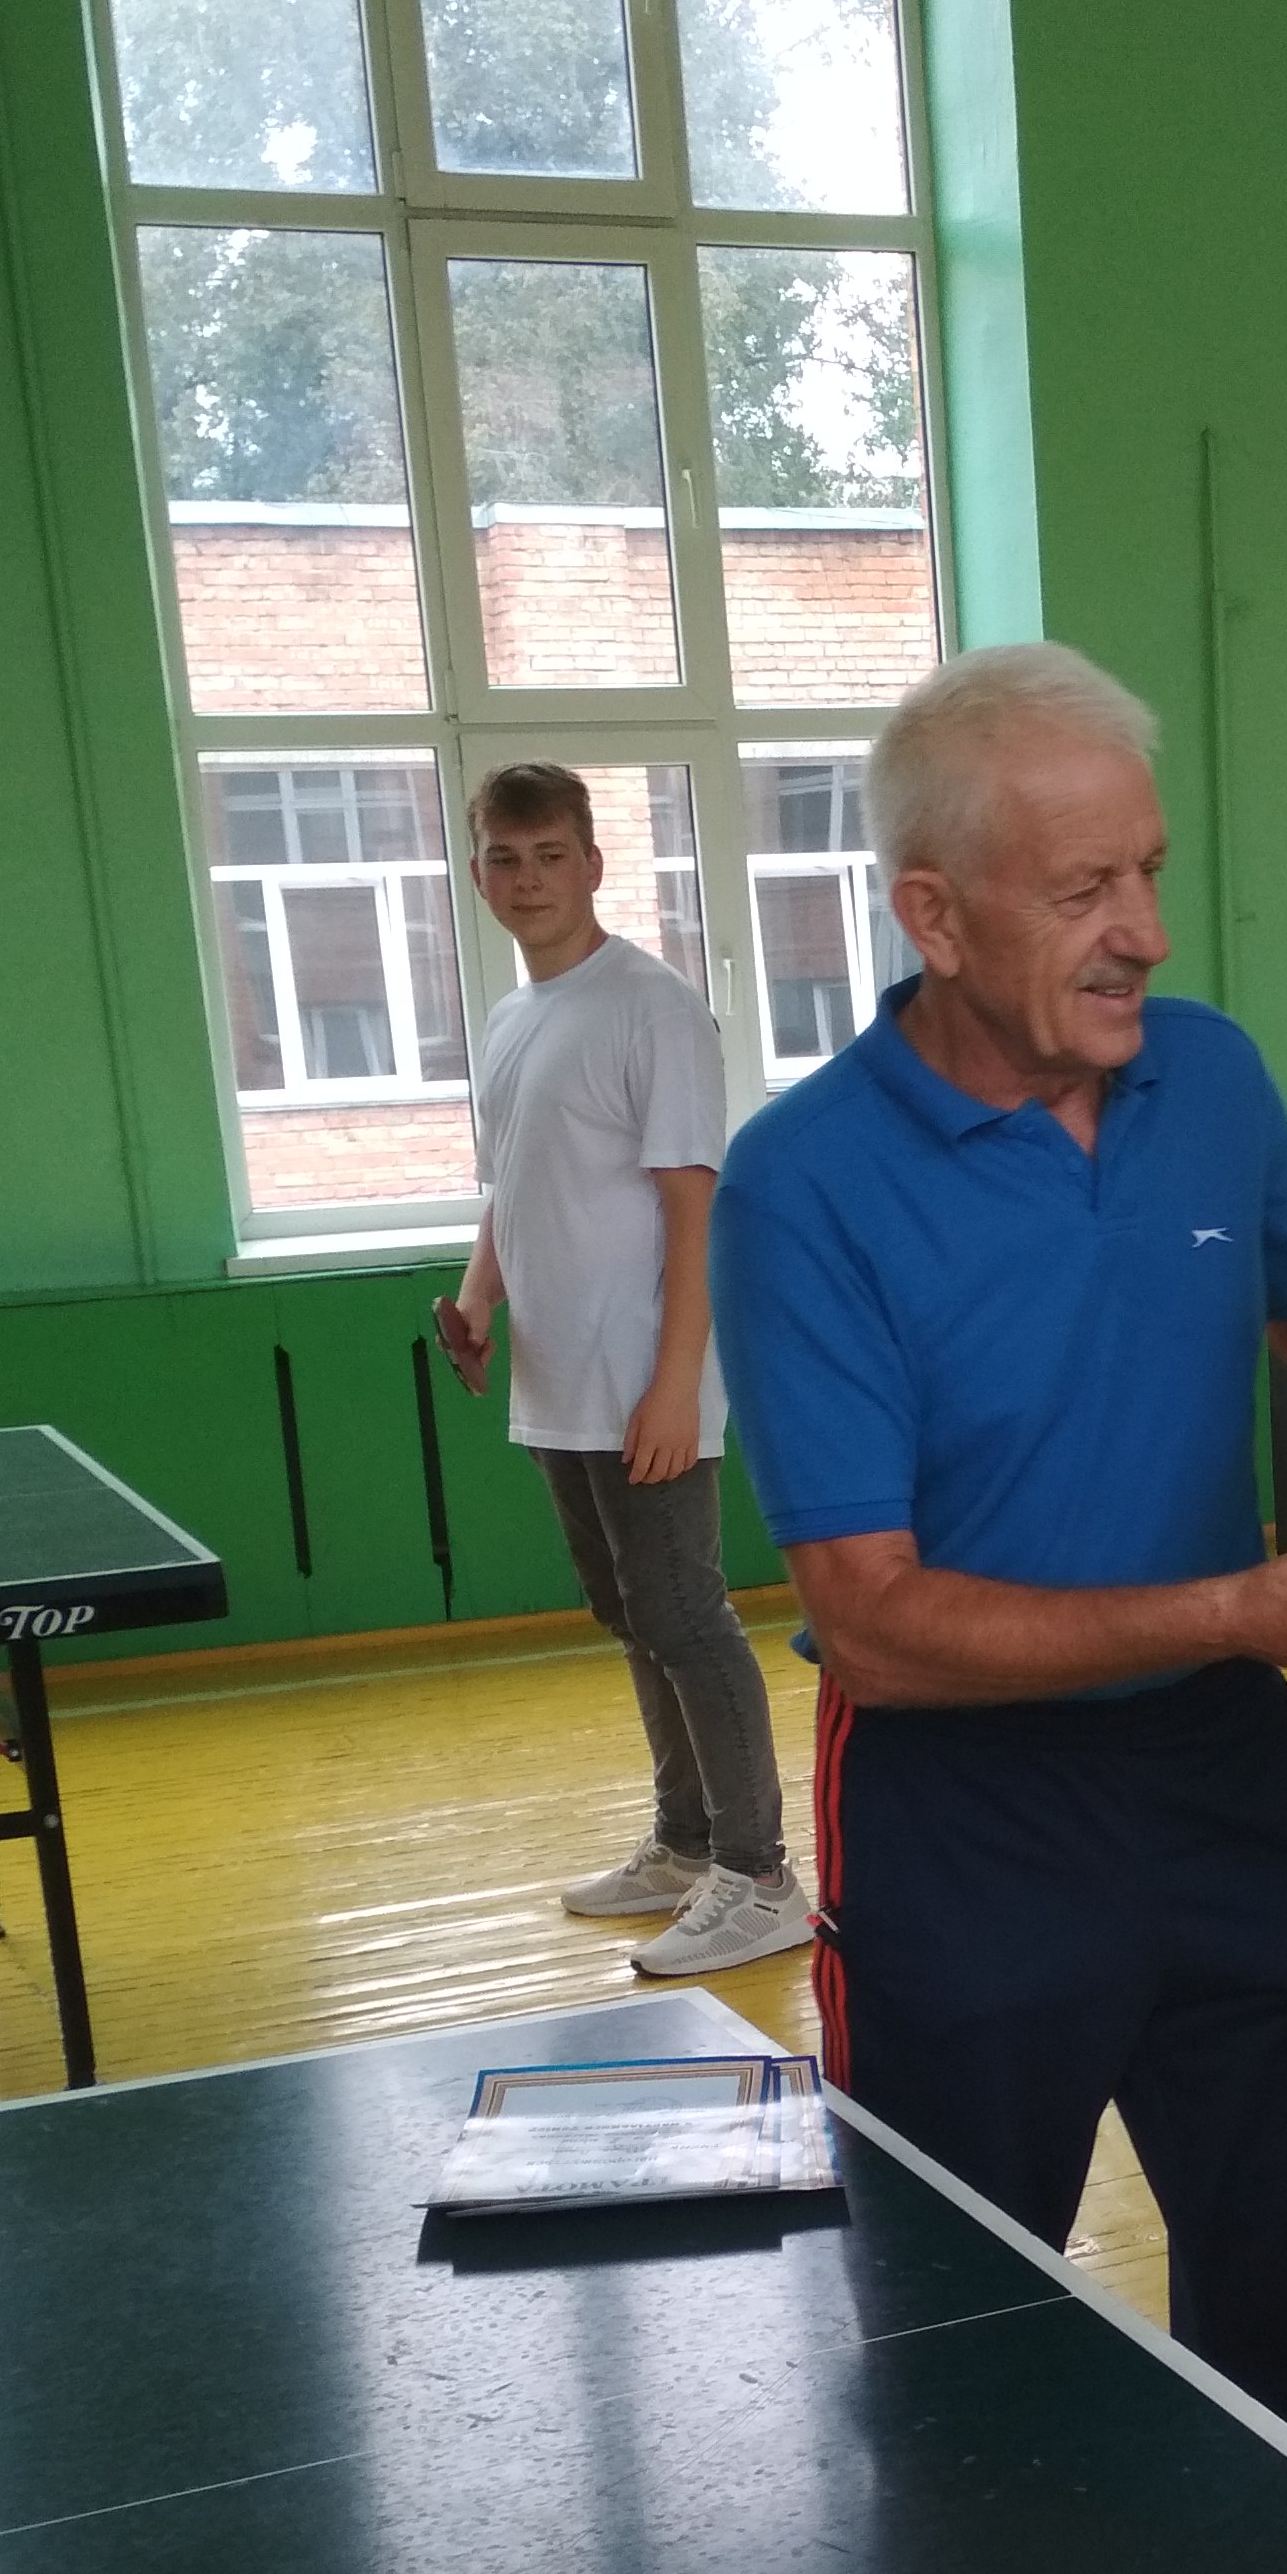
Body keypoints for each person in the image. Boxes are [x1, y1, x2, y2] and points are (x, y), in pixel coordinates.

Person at [710, 646, 1287, 2487]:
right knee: (964, 2349)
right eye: (1085, 891)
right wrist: (1241, 1605)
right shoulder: (801, 1183)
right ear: (935, 915)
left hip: (1232, 1782)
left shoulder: (1213, 1080)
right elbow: (872, 1622)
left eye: (1152, 874)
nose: (1146, 937)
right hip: (967, 1819)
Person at [433, 766, 809, 1981]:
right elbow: (513, 1184)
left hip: (648, 1375)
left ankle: (760, 1877)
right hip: (558, 1378)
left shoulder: (652, 1007)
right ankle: (686, 1842)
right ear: (479, 871)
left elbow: (696, 1205)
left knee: (686, 1616)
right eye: (505, 857)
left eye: (551, 854)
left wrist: (674, 1382)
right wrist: (479, 1302)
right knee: (632, 1615)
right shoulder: (513, 1017)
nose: (528, 878)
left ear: (593, 864)